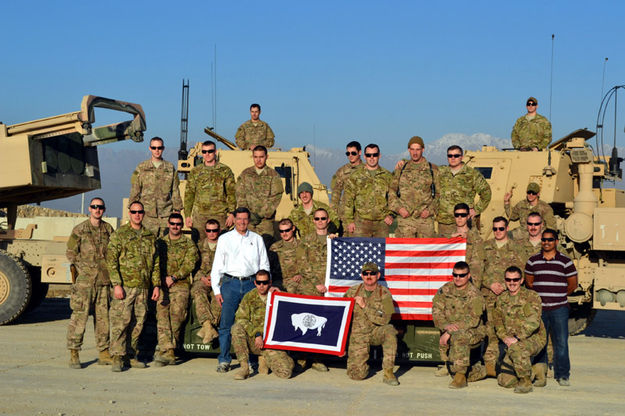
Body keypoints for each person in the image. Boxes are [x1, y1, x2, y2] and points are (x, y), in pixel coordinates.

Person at [211, 207, 270, 373]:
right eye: (239, 219)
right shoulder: (225, 239)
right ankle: (224, 359)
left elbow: (264, 264)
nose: (242, 222)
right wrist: (216, 289)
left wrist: (263, 285)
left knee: (250, 323)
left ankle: (250, 360)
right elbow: (217, 266)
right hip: (231, 284)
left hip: (252, 284)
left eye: (245, 219)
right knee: (226, 324)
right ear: (234, 220)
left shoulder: (257, 239)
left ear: (249, 220)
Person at [106, 201, 160, 372]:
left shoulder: (150, 237)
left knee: (138, 322)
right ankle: (117, 356)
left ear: (144, 214)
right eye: (134, 212)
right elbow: (111, 261)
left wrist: (156, 285)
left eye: (140, 212)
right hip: (125, 286)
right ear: (129, 214)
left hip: (143, 287)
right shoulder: (120, 235)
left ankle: (131, 354)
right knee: (120, 322)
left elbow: (155, 264)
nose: (137, 215)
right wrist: (116, 284)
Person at [66, 197, 115, 369]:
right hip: (85, 283)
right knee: (80, 317)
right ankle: (74, 352)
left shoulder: (108, 229)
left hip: (103, 282)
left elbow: (114, 253)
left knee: (103, 320)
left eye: (100, 207)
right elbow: (70, 253)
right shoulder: (80, 230)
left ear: (104, 209)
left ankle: (103, 352)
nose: (97, 209)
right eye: (94, 207)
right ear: (89, 209)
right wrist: (83, 269)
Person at [525, 229, 578, 386]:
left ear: (556, 241)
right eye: (544, 240)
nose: (546, 242)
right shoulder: (533, 261)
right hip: (540, 309)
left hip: (559, 308)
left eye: (550, 240)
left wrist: (559, 295)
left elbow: (573, 284)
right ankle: (541, 374)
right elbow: (529, 282)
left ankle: (562, 375)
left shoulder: (565, 261)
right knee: (540, 342)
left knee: (561, 342)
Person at [480, 217, 525, 377]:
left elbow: (522, 272)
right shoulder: (485, 247)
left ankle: (511, 363)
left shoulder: (516, 248)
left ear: (507, 229)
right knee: (491, 330)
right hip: (490, 296)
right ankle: (490, 364)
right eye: (495, 229)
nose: (498, 232)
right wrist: (490, 284)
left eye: (501, 228)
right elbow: (478, 271)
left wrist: (508, 285)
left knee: (510, 330)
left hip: (509, 297)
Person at [292, 208, 335, 372]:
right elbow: (302, 263)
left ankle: (317, 358)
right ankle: (303, 357)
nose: (320, 221)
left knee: (321, 323)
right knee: (307, 319)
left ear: (328, 220)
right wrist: (317, 283)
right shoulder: (306, 240)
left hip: (329, 286)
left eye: (323, 218)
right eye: (317, 218)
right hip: (311, 286)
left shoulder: (334, 240)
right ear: (313, 221)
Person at [231, 270, 294, 380]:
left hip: (271, 343)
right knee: (236, 328)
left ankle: (264, 358)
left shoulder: (276, 296)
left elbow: (293, 308)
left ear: (270, 282)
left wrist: (280, 294)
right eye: (259, 282)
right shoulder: (249, 297)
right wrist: (256, 334)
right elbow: (241, 318)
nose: (261, 286)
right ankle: (244, 368)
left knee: (286, 373)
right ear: (255, 283)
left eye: (264, 283)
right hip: (254, 341)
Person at [432, 261, 486, 389]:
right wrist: (445, 326)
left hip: (474, 331)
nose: (458, 278)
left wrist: (450, 331)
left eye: (462, 275)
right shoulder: (445, 290)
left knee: (459, 336)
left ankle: (460, 376)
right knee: (453, 366)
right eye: (455, 275)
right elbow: (436, 311)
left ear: (468, 276)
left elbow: (473, 320)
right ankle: (482, 370)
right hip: (449, 330)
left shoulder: (475, 295)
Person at [154, 213, 199, 366]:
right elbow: (155, 264)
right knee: (162, 316)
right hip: (162, 285)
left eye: (178, 224)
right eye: (172, 223)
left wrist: (174, 277)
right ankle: (168, 351)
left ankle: (167, 350)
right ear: (168, 224)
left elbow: (190, 264)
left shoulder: (188, 245)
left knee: (176, 316)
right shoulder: (160, 243)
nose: (175, 226)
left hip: (180, 285)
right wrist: (161, 280)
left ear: (182, 225)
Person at [492, 266, 546, 393]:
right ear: (505, 281)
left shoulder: (531, 297)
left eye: (515, 279)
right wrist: (504, 337)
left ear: (521, 280)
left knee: (517, 348)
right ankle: (535, 370)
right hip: (510, 341)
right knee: (505, 381)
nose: (512, 283)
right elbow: (498, 322)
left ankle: (525, 381)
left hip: (533, 338)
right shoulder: (501, 299)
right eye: (508, 280)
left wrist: (516, 338)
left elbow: (533, 323)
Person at [344, 262, 398, 386]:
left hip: (375, 332)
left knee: (390, 330)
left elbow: (386, 319)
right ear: (362, 276)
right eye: (365, 273)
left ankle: (388, 372)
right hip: (358, 335)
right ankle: (361, 364)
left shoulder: (386, 294)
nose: (369, 276)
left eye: (372, 273)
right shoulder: (352, 292)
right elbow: (341, 315)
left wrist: (364, 306)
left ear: (378, 275)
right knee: (356, 375)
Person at [129, 136, 183, 237]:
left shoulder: (170, 168)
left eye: (159, 148)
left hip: (166, 216)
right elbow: (135, 190)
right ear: (150, 148)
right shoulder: (141, 167)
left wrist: (177, 211)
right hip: (146, 217)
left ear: (163, 148)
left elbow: (175, 191)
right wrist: (132, 210)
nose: (157, 150)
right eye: (154, 148)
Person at [389, 135, 439, 238]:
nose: (415, 153)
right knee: (405, 252)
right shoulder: (401, 168)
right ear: (408, 150)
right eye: (412, 149)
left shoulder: (432, 169)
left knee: (426, 252)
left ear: (423, 150)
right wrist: (399, 209)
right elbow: (391, 191)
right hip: (405, 221)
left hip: (425, 221)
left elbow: (439, 194)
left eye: (418, 149)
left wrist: (430, 210)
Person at [183, 140, 235, 239]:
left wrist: (232, 213)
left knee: (221, 246)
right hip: (200, 216)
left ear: (215, 152)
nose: (207, 154)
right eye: (204, 152)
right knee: (199, 246)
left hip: (220, 215)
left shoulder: (225, 170)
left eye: (210, 151)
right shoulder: (195, 171)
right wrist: (188, 215)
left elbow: (231, 193)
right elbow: (189, 194)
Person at [437, 145, 491, 236]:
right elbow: (425, 169)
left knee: (467, 249)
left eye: (456, 156)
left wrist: (477, 210)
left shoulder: (471, 174)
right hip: (445, 222)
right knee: (446, 249)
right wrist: (405, 162)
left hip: (465, 222)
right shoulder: (441, 172)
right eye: (450, 156)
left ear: (461, 157)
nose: (453, 158)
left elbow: (486, 192)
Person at [235, 145, 283, 247]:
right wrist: (247, 213)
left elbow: (276, 196)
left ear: (267, 157)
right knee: (247, 247)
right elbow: (240, 194)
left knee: (265, 248)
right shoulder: (245, 174)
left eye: (261, 157)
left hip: (265, 221)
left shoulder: (273, 175)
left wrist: (261, 214)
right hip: (248, 221)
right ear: (252, 157)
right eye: (256, 157)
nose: (258, 160)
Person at [343, 144, 394, 237]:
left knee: (381, 251)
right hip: (361, 224)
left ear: (379, 155)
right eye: (369, 155)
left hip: (381, 224)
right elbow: (348, 200)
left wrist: (391, 215)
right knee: (360, 251)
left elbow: (393, 198)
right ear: (364, 156)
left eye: (374, 155)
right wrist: (349, 221)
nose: (372, 158)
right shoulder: (355, 176)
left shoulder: (388, 176)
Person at [191, 219, 222, 344]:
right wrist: (202, 277)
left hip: (219, 280)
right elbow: (193, 267)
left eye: (214, 230)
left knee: (219, 298)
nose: (212, 233)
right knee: (198, 291)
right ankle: (209, 327)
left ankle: (207, 328)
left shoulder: (224, 246)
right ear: (205, 231)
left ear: (219, 231)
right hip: (203, 279)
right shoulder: (198, 247)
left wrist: (217, 278)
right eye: (209, 230)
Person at [439, 203, 485, 289]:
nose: (459, 218)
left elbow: (477, 266)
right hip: (448, 283)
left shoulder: (476, 239)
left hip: (467, 285)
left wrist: (472, 288)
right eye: (457, 215)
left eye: (463, 215)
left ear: (468, 217)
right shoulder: (447, 236)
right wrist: (450, 239)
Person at [330, 141, 362, 222]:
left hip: (362, 215)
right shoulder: (342, 171)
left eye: (353, 153)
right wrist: (333, 212)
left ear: (360, 152)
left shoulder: (367, 170)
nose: (350, 156)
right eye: (348, 153)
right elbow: (336, 193)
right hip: (345, 215)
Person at [268, 218, 300, 292]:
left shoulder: (302, 246)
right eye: (281, 231)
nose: (284, 233)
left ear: (293, 228)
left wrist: (301, 275)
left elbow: (309, 264)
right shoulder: (274, 247)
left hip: (298, 280)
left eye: (287, 230)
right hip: (280, 281)